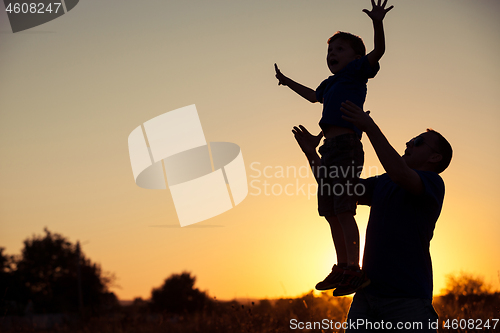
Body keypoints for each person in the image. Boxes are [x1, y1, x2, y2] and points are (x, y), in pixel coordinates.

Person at [293, 100, 453, 332]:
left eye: (418, 142)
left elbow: (399, 172)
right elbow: (336, 188)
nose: (408, 142)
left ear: (434, 158)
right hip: (366, 297)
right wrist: (312, 155)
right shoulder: (384, 182)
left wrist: (369, 127)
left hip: (407, 301)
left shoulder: (432, 183)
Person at [275, 0, 393, 296]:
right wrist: (287, 81)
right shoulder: (329, 85)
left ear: (355, 56)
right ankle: (342, 267)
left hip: (346, 147)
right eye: (330, 50)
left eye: (339, 49)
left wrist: (377, 22)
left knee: (344, 210)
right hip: (329, 148)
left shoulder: (356, 72)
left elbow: (378, 51)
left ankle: (354, 268)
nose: (332, 54)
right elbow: (314, 97)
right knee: (329, 211)